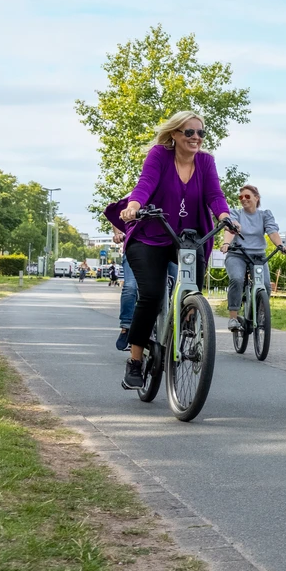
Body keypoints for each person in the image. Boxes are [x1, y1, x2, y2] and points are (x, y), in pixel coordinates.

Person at [106, 111, 234, 390]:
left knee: (193, 290)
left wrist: (224, 216)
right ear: (175, 134)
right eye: (189, 132)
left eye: (200, 133)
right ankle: (136, 361)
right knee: (150, 294)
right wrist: (134, 207)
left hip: (187, 239)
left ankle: (185, 321)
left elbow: (215, 195)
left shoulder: (206, 162)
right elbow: (145, 184)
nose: (196, 138)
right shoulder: (159, 155)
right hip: (150, 236)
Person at [220, 184, 286, 331]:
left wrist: (280, 246)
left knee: (266, 285)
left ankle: (258, 314)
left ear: (256, 198)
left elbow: (272, 231)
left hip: (258, 256)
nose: (243, 199)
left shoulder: (265, 215)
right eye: (241, 197)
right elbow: (231, 228)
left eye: (247, 196)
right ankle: (233, 318)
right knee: (237, 279)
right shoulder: (236, 213)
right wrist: (226, 242)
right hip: (237, 254)